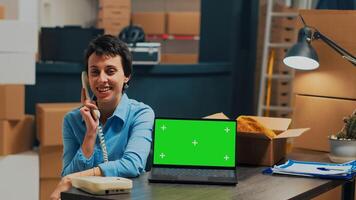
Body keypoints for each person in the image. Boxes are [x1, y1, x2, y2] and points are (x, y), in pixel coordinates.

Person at [50, 35, 154, 199]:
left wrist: (74, 178)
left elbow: (132, 164)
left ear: (126, 75)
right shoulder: (72, 120)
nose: (101, 79)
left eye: (110, 71)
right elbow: (68, 175)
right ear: (86, 78)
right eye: (95, 72)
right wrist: (90, 134)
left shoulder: (141, 114)